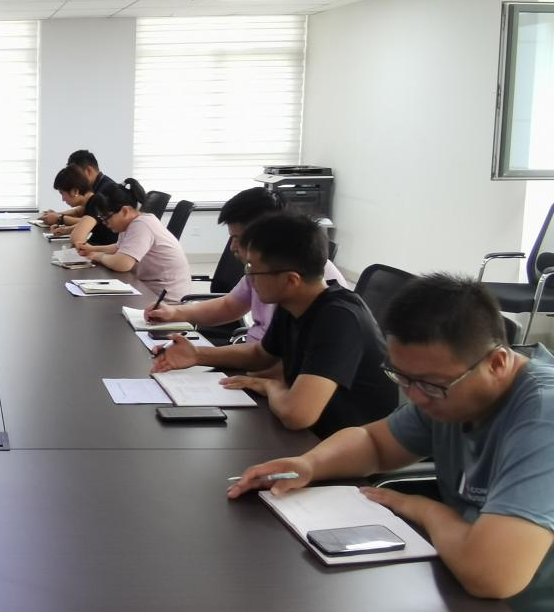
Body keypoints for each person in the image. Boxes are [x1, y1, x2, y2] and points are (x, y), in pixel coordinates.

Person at [228, 274, 554, 612]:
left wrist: (423, 509)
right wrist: (310, 464)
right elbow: (374, 443)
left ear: (497, 363)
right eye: (402, 378)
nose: (415, 397)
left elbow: (491, 574)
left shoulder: (547, 415)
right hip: (468, 602)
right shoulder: (449, 392)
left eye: (430, 384)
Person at [153, 212, 397, 437]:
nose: (248, 278)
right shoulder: (294, 302)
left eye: (253, 270)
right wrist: (197, 355)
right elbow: (262, 355)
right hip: (310, 435)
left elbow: (297, 415)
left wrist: (271, 387)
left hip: (344, 446)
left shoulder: (339, 318)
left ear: (291, 280)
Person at [146, 187, 347, 340]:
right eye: (231, 238)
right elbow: (230, 306)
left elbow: (282, 364)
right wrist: (174, 312)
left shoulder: (308, 286)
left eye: (239, 238)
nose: (233, 247)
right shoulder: (263, 269)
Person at [77, 178, 191, 301]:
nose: (104, 223)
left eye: (106, 217)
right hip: (150, 290)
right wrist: (91, 249)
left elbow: (123, 263)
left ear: (125, 211)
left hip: (166, 300)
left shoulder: (142, 225)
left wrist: (97, 256)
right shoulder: (131, 224)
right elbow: (119, 248)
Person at [46, 165, 117, 248]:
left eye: (62, 194)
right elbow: (87, 223)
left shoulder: (95, 202)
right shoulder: (92, 200)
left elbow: (76, 239)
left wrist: (64, 225)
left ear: (75, 191)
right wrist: (66, 230)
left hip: (106, 251)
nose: (63, 199)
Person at [41, 150, 117, 227]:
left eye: (76, 173)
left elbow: (93, 222)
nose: (72, 178)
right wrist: (57, 215)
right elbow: (80, 211)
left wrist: (59, 219)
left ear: (88, 171)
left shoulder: (107, 191)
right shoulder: (95, 188)